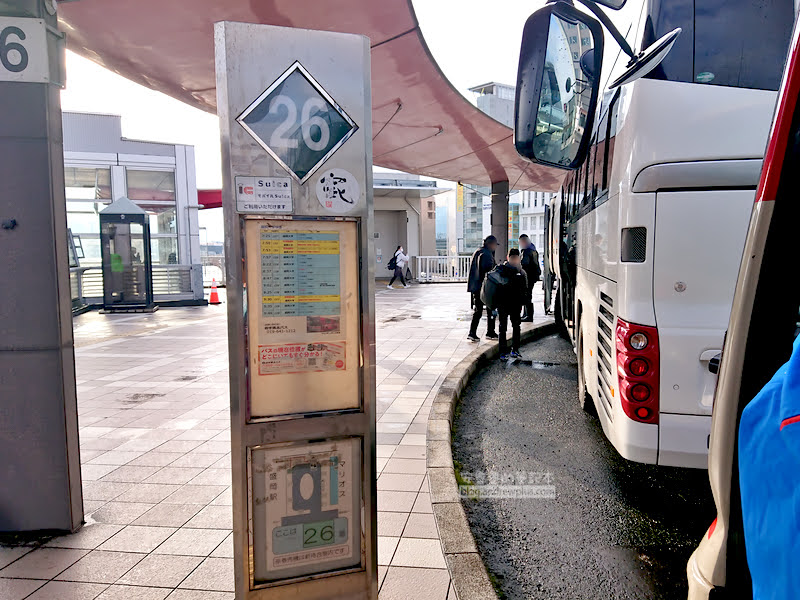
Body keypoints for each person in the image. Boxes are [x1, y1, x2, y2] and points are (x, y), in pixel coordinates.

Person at [495, 248, 528, 359]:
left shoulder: (521, 272)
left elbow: (525, 289)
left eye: (516, 258)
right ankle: (503, 352)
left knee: (516, 327)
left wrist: (523, 302)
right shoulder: (501, 270)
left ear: (519, 259)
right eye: (512, 258)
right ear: (507, 258)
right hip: (503, 304)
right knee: (503, 328)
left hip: (515, 305)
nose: (514, 260)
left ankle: (515, 350)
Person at [467, 235, 498, 342]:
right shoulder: (486, 254)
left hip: (476, 286)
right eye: (495, 245)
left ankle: (473, 332)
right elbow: (489, 271)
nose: (495, 247)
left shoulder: (478, 252)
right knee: (490, 309)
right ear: (491, 244)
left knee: (478, 310)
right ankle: (490, 332)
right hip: (485, 287)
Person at [519, 234, 541, 322]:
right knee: (528, 295)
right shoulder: (533, 250)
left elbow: (525, 264)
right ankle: (526, 314)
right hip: (532, 276)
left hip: (528, 277)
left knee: (527, 296)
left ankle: (528, 315)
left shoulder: (526, 252)